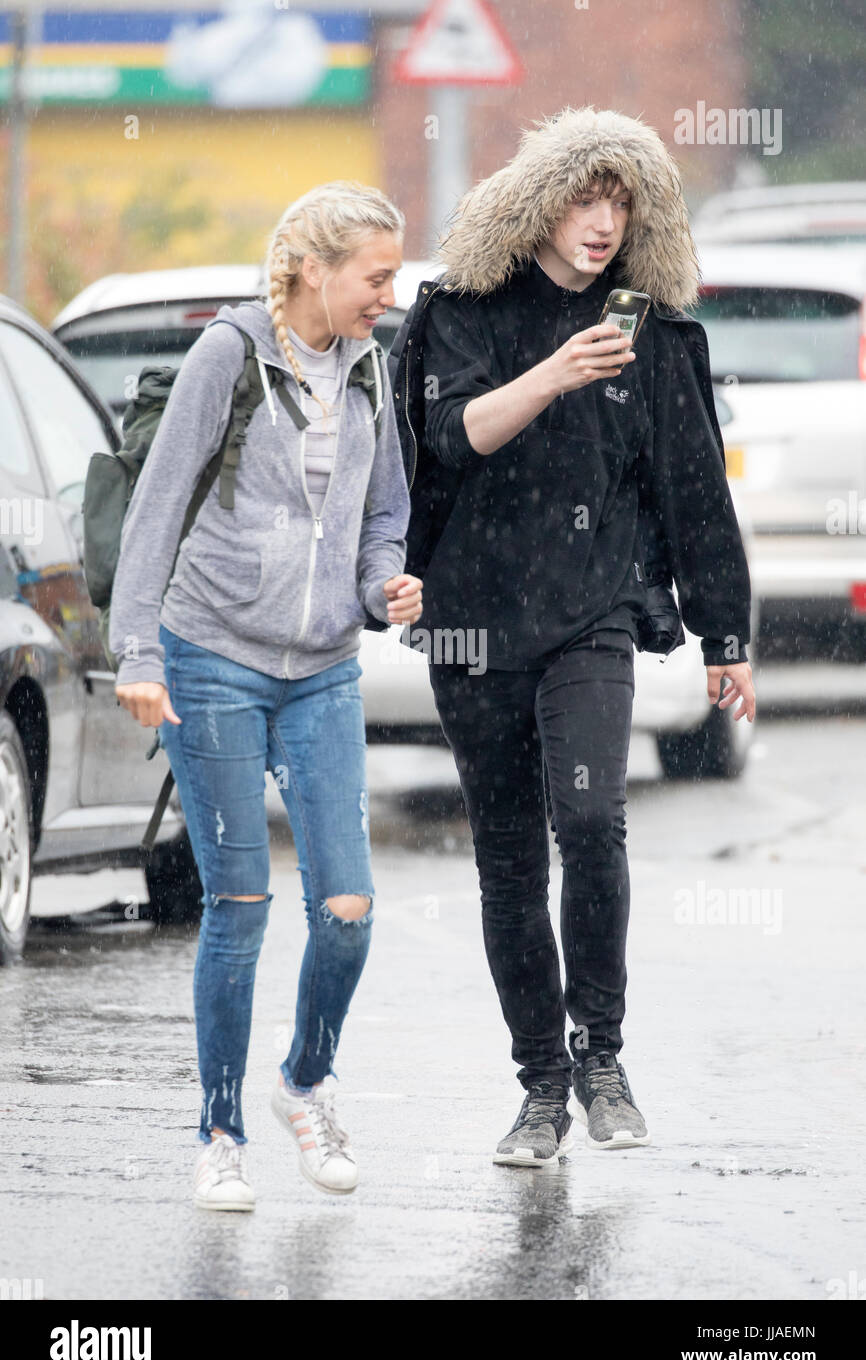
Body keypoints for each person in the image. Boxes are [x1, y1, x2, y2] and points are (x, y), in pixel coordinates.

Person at [388, 106, 756, 1166]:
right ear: (536, 202)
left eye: (620, 202)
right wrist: (554, 371)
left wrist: (723, 632)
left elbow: (692, 492)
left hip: (593, 608)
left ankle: (602, 1056)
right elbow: (447, 438)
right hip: (470, 623)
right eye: (584, 198)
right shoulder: (461, 310)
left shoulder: (656, 331)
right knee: (506, 861)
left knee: (591, 820)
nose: (601, 223)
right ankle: (539, 1087)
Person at [111, 181, 422, 1209]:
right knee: (238, 902)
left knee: (347, 906)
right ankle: (219, 1130)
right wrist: (138, 654)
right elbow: (157, 506)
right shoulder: (228, 357)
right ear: (311, 271)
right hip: (212, 658)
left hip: (323, 666)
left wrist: (384, 584)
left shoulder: (374, 367)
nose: (389, 292)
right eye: (375, 275)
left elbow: (385, 515)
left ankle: (304, 1076)